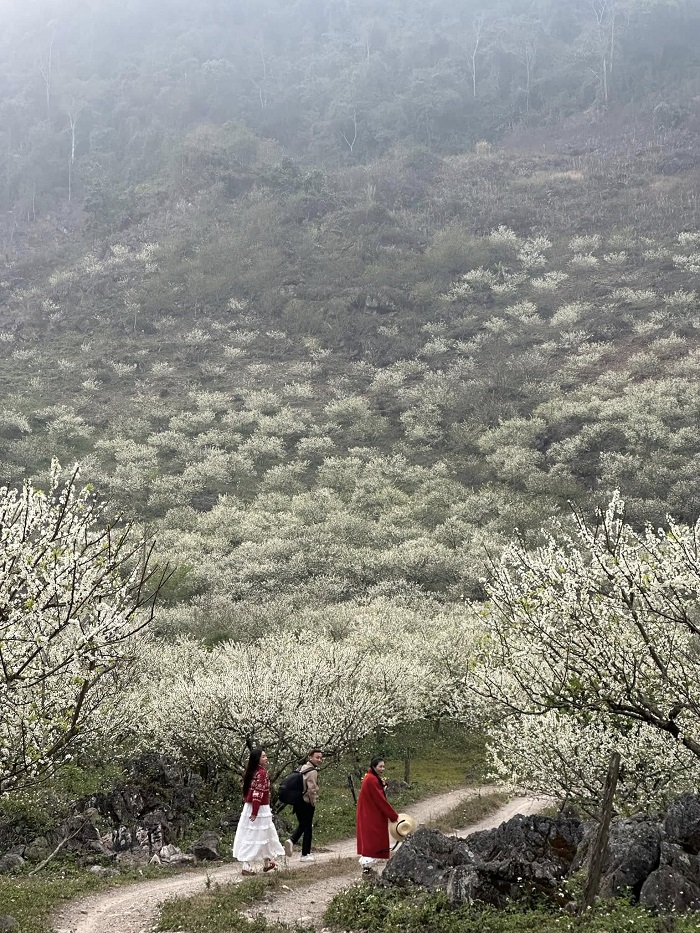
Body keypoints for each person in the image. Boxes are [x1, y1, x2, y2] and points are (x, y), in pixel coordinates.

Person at [233, 747, 284, 876]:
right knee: (256, 835)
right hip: (259, 808)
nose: (266, 758)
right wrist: (255, 811)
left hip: (252, 806)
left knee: (262, 834)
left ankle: (266, 862)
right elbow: (258, 793)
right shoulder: (261, 773)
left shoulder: (252, 772)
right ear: (257, 759)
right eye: (263, 756)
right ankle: (247, 865)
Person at [356, 756, 399, 876]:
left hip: (369, 813)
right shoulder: (371, 780)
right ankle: (367, 870)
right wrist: (393, 815)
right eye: (380, 766)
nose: (382, 768)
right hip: (371, 815)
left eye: (383, 766)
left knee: (371, 841)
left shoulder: (371, 778)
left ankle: (368, 870)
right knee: (372, 841)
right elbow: (380, 800)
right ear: (374, 767)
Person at [284, 748, 323, 862]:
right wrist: (312, 802)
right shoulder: (312, 771)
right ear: (310, 757)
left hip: (297, 801)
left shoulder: (301, 768)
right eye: (317, 757)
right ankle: (304, 853)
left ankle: (294, 843)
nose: (319, 760)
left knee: (304, 825)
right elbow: (311, 789)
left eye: (321, 757)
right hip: (306, 802)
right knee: (307, 827)